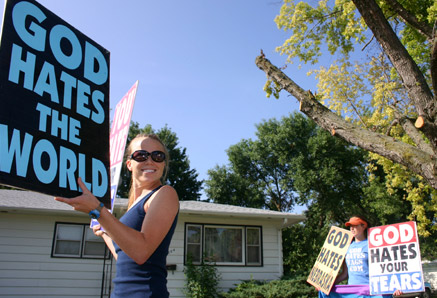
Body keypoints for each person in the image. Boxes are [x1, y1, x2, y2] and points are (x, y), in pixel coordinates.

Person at [55, 134, 179, 298]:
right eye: (141, 155)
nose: (150, 161)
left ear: (163, 164)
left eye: (157, 156)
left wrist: (98, 210)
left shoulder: (165, 194)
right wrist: (105, 231)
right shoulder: (135, 204)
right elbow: (125, 256)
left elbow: (141, 252)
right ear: (129, 164)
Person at [318, 215, 402, 298]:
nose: (351, 228)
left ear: (363, 226)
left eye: (355, 225)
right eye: (350, 226)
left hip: (370, 291)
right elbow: (345, 274)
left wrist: (395, 286)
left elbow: (384, 269)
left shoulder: (372, 245)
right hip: (353, 292)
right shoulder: (346, 247)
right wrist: (326, 284)